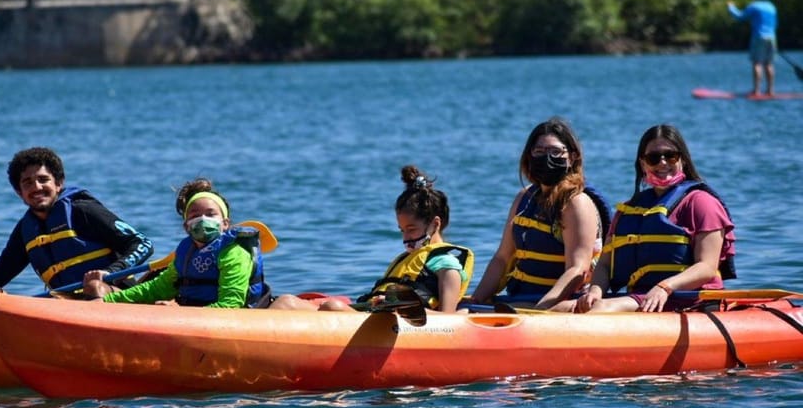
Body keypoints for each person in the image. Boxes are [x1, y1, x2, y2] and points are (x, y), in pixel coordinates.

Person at [0, 147, 154, 301]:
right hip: (67, 305)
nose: (37, 187)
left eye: (43, 180)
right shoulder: (26, 231)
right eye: (27, 183)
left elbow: (143, 243)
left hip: (117, 297)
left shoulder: (82, 211)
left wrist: (110, 272)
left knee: (94, 287)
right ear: (19, 192)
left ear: (58, 184)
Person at [575, 124, 736, 313]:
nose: (662, 163)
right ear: (643, 164)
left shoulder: (702, 203)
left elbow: (707, 267)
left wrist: (665, 287)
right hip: (642, 298)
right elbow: (604, 264)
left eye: (670, 156)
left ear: (682, 160)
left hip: (689, 300)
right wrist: (595, 291)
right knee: (565, 307)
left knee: (602, 309)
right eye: (653, 158)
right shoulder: (628, 210)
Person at [270, 165, 473, 313]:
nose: (406, 238)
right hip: (371, 314)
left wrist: (400, 307)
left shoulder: (448, 266)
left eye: (411, 229)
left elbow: (447, 320)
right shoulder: (407, 260)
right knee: (286, 301)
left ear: (435, 224)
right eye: (402, 230)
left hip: (395, 325)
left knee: (332, 307)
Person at [469, 118, 611, 310]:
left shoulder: (576, 203)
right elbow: (501, 259)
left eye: (555, 151)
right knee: (461, 308)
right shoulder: (524, 198)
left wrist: (540, 309)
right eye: (540, 152)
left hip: (557, 303)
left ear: (573, 156)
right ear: (529, 156)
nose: (547, 158)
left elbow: (578, 269)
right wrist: (475, 299)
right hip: (518, 298)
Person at [96, 178, 270, 308]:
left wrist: (179, 312)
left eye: (211, 214)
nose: (202, 219)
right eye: (194, 215)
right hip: (194, 316)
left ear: (225, 224)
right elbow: (157, 289)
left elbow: (230, 305)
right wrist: (107, 300)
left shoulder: (233, 253)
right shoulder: (185, 253)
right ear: (186, 226)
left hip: (232, 321)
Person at [728, 0, 778, 96]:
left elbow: (740, 16)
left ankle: (756, 91)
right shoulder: (772, 7)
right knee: (769, 64)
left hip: (759, 37)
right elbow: (776, 24)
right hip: (772, 37)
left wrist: (731, 7)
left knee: (757, 63)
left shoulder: (754, 6)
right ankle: (770, 91)